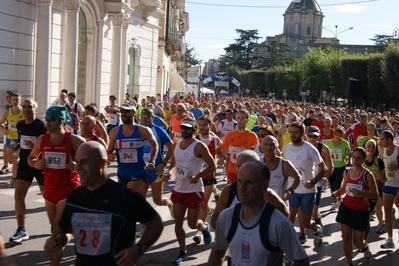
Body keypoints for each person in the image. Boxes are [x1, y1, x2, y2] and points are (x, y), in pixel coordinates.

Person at [44, 142, 164, 265]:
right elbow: (66, 228)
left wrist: (139, 248)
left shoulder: (125, 197)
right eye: (76, 161)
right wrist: (58, 240)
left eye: (84, 162)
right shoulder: (74, 197)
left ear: (102, 163)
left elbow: (155, 222)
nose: (78, 167)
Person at [208, 160, 309, 266]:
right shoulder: (226, 217)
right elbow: (218, 253)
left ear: (264, 186)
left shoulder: (279, 224)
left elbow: (302, 262)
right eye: (239, 181)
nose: (242, 188)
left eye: (249, 182)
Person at [28, 105, 85, 266]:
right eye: (46, 119)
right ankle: (74, 232)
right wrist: (36, 164)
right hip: (49, 190)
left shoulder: (73, 139)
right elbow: (30, 158)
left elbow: (93, 153)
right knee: (55, 230)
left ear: (61, 121)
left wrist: (78, 163)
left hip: (69, 190)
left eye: (51, 119)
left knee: (56, 230)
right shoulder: (42, 139)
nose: (48, 122)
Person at [166, 117, 216, 265]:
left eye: (188, 128)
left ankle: (203, 226)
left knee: (192, 224)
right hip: (178, 189)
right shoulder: (176, 146)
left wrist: (198, 176)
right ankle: (182, 250)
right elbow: (175, 165)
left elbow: (212, 166)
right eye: (183, 128)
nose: (184, 130)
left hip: (194, 190)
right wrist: (170, 173)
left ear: (193, 130)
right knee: (178, 223)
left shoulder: (199, 146)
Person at [211, 150, 290, 230]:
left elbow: (285, 213)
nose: (240, 170)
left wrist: (268, 234)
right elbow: (216, 216)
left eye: (245, 166)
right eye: (238, 166)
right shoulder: (229, 191)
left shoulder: (267, 194)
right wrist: (224, 235)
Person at [283, 121, 327, 247]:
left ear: (303, 133)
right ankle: (289, 249)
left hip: (307, 191)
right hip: (293, 190)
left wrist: (313, 181)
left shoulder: (310, 149)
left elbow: (323, 168)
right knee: (289, 221)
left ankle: (317, 229)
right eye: (291, 132)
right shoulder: (286, 149)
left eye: (296, 132)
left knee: (306, 224)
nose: (293, 135)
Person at [9, 99, 46, 243]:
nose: (26, 109)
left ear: (35, 110)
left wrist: (37, 147)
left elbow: (49, 145)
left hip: (40, 166)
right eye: (24, 107)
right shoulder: (20, 125)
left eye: (30, 107)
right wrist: (17, 147)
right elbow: (22, 143)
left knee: (48, 199)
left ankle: (57, 228)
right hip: (25, 165)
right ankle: (21, 229)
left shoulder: (41, 126)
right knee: (18, 195)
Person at [333, 147, 377, 265]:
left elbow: (375, 194)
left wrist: (362, 194)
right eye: (353, 157)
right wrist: (337, 192)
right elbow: (344, 189)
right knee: (346, 238)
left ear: (363, 160)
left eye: (358, 158)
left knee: (357, 243)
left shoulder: (367, 175)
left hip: (360, 211)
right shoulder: (347, 172)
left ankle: (365, 247)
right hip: (346, 208)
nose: (355, 160)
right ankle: (349, 263)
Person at [137, 108, 174, 237]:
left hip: (156, 169)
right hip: (142, 169)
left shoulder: (159, 130)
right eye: (143, 116)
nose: (145, 119)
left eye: (147, 116)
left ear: (153, 118)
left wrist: (164, 164)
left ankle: (169, 203)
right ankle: (145, 225)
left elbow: (171, 147)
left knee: (157, 200)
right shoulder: (139, 131)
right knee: (140, 200)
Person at [107, 103, 158, 192]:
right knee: (128, 201)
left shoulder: (143, 130)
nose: (123, 114)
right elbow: (109, 151)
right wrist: (110, 156)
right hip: (121, 172)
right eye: (122, 111)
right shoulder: (114, 132)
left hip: (138, 172)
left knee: (126, 198)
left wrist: (152, 161)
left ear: (133, 113)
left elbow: (155, 145)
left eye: (127, 111)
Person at [192, 116, 223, 245]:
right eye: (200, 125)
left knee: (203, 204)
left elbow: (221, 151)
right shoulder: (195, 139)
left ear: (210, 125)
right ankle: (208, 213)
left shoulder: (215, 140)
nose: (202, 127)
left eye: (205, 124)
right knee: (196, 204)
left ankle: (199, 232)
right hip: (196, 176)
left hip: (209, 176)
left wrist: (221, 157)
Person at [305, 126, 334, 229]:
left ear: (319, 137)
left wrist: (326, 177)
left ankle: (317, 223)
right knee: (304, 211)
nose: (312, 139)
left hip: (317, 182)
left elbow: (330, 167)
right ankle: (317, 224)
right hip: (304, 183)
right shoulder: (301, 147)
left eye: (315, 137)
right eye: (310, 136)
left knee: (314, 211)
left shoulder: (324, 149)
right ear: (306, 135)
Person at [220, 110, 258, 184]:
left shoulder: (252, 136)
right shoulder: (230, 134)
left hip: (246, 170)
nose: (240, 121)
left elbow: (257, 154)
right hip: (232, 170)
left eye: (243, 118)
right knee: (231, 192)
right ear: (236, 119)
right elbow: (223, 149)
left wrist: (246, 151)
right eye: (238, 118)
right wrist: (224, 153)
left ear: (247, 121)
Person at [261, 135, 301, 201]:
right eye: (265, 144)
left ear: (277, 146)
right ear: (261, 147)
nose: (268, 147)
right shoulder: (258, 163)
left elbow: (298, 177)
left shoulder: (284, 164)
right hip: (262, 205)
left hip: (280, 205)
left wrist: (290, 190)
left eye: (272, 144)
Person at [379, 130, 399, 249]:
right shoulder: (383, 151)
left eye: (382, 139)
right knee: (387, 211)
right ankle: (390, 239)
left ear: (389, 140)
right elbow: (383, 168)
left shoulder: (398, 150)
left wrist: (397, 167)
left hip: (398, 185)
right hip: (388, 184)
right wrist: (381, 177)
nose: (380, 142)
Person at [362, 139, 386, 236]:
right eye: (369, 146)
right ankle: (362, 227)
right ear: (365, 148)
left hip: (377, 187)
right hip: (364, 189)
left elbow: (384, 179)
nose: (371, 149)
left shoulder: (379, 162)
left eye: (373, 147)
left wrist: (381, 177)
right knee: (364, 210)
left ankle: (381, 224)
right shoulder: (361, 161)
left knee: (378, 205)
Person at [0, 93, 24, 187]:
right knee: (10, 160)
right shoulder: (7, 112)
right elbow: (0, 123)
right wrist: (3, 129)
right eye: (14, 100)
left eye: (17, 100)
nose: (15, 101)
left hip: (19, 139)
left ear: (20, 101)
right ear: (11, 101)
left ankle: (14, 178)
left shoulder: (23, 112)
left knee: (15, 158)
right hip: (10, 138)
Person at [324, 127, 350, 211]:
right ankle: (335, 202)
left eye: (340, 135)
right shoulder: (328, 143)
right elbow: (324, 152)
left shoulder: (345, 143)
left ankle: (339, 200)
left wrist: (347, 155)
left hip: (341, 166)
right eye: (337, 135)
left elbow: (349, 150)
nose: (338, 137)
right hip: (331, 166)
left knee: (337, 184)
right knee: (332, 185)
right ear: (334, 134)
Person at [0, 90, 13, 175]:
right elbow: (3, 120)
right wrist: (4, 127)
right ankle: (5, 166)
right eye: (6, 97)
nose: (6, 98)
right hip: (8, 130)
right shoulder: (6, 107)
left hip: (16, 132)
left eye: (8, 96)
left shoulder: (18, 108)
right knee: (5, 148)